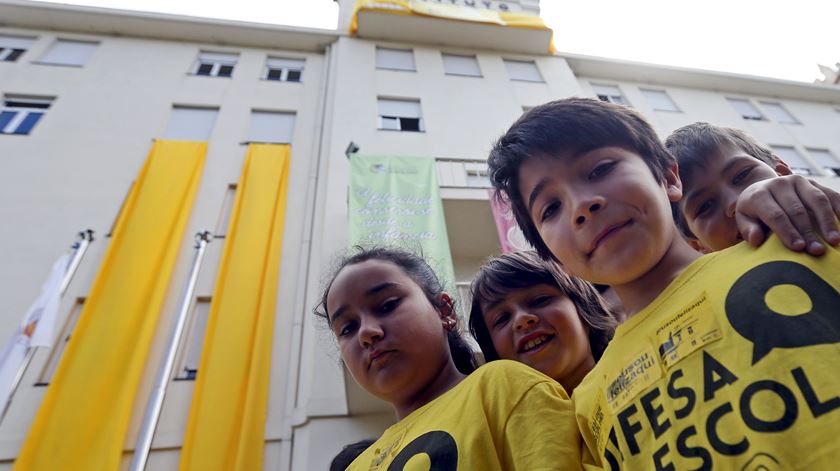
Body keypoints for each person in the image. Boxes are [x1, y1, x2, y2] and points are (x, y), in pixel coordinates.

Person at [487, 97, 840, 469]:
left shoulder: (799, 240)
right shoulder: (588, 403)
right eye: (551, 208)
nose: (581, 205)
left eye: (599, 169)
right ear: (555, 258)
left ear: (670, 178)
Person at [314, 247, 583, 470]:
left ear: (444, 311)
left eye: (387, 305)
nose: (367, 333)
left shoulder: (502, 387)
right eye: (348, 328)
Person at [666, 121, 840, 254]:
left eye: (742, 175)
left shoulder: (831, 217)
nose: (735, 202)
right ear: (698, 245)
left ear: (782, 172)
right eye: (705, 206)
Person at [468, 250, 617, 393]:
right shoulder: (496, 418)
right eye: (502, 318)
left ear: (583, 307)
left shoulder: (633, 364)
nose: (521, 319)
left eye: (540, 300)